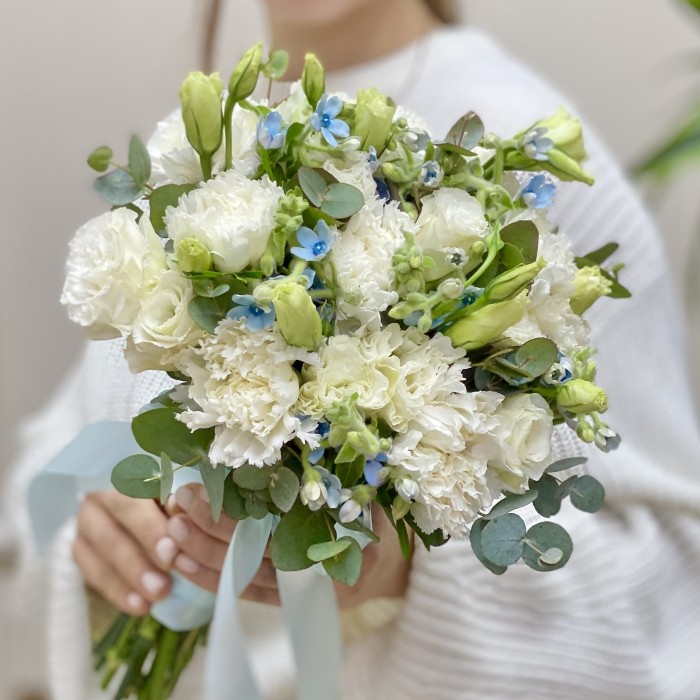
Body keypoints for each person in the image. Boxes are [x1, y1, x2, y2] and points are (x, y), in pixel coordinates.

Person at [8, 0, 700, 698]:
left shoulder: (511, 138)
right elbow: (56, 465)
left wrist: (401, 572)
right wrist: (95, 540)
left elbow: (675, 584)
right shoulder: (208, 148)